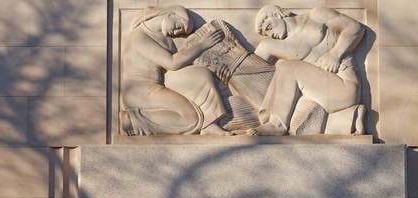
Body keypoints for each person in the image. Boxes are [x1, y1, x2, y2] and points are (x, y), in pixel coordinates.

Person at [247, 6, 365, 136]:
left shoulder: (316, 15)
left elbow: (355, 27)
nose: (270, 34)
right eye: (265, 34)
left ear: (277, 14)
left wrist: (335, 54)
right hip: (320, 95)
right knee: (285, 67)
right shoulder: (272, 46)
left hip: (345, 87)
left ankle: (277, 125)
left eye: (269, 27)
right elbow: (249, 71)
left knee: (287, 67)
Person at [120, 5, 231, 135]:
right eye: (179, 26)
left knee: (201, 74)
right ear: (171, 15)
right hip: (138, 93)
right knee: (191, 117)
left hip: (159, 84)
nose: (177, 32)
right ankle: (133, 121)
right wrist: (202, 45)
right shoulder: (138, 36)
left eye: (181, 32)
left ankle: (210, 124)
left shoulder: (164, 39)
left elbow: (181, 61)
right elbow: (172, 62)